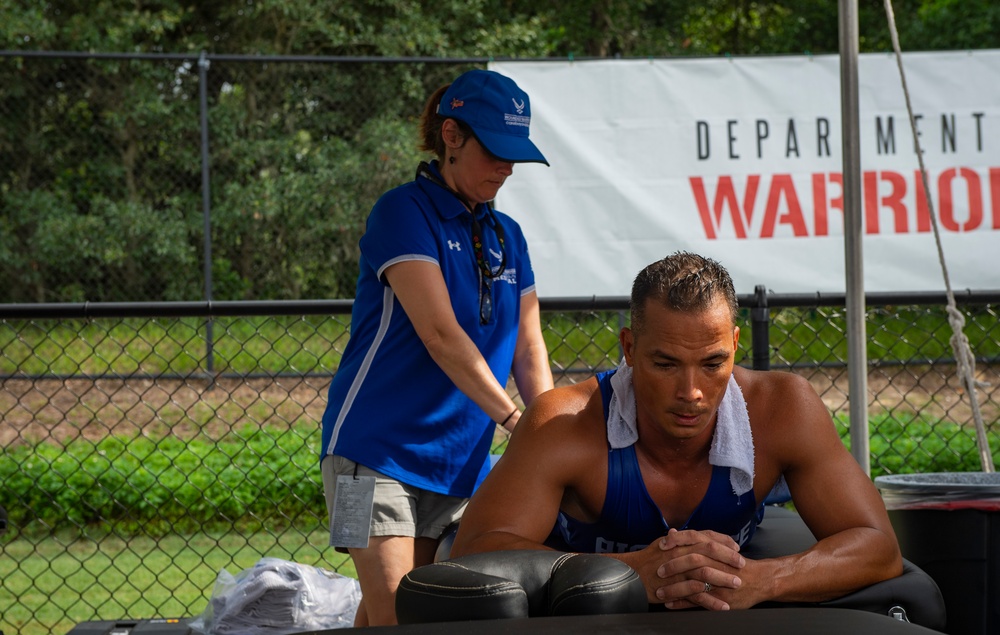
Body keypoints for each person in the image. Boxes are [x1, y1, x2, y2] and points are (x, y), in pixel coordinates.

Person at [451, 251, 903, 611]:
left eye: (712, 364)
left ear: (734, 346)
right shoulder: (564, 422)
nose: (691, 393)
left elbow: (879, 547)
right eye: (665, 364)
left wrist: (761, 579)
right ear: (629, 348)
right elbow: (474, 552)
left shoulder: (783, 409)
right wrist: (625, 572)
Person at [319, 69, 554, 627]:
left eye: (516, 155)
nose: (507, 167)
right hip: (372, 461)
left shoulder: (509, 236)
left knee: (392, 617)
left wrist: (549, 428)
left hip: (459, 470)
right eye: (496, 150)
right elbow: (441, 336)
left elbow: (529, 345)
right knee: (403, 618)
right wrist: (517, 420)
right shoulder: (403, 213)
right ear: (451, 135)